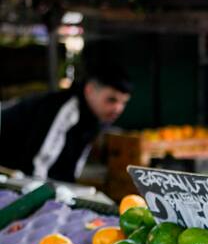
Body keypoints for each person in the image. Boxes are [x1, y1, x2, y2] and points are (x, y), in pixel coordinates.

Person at [0, 54, 132, 182]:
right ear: (90, 90)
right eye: (111, 100)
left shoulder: (95, 118)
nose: (118, 109)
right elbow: (38, 166)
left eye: (124, 103)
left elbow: (73, 168)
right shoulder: (64, 109)